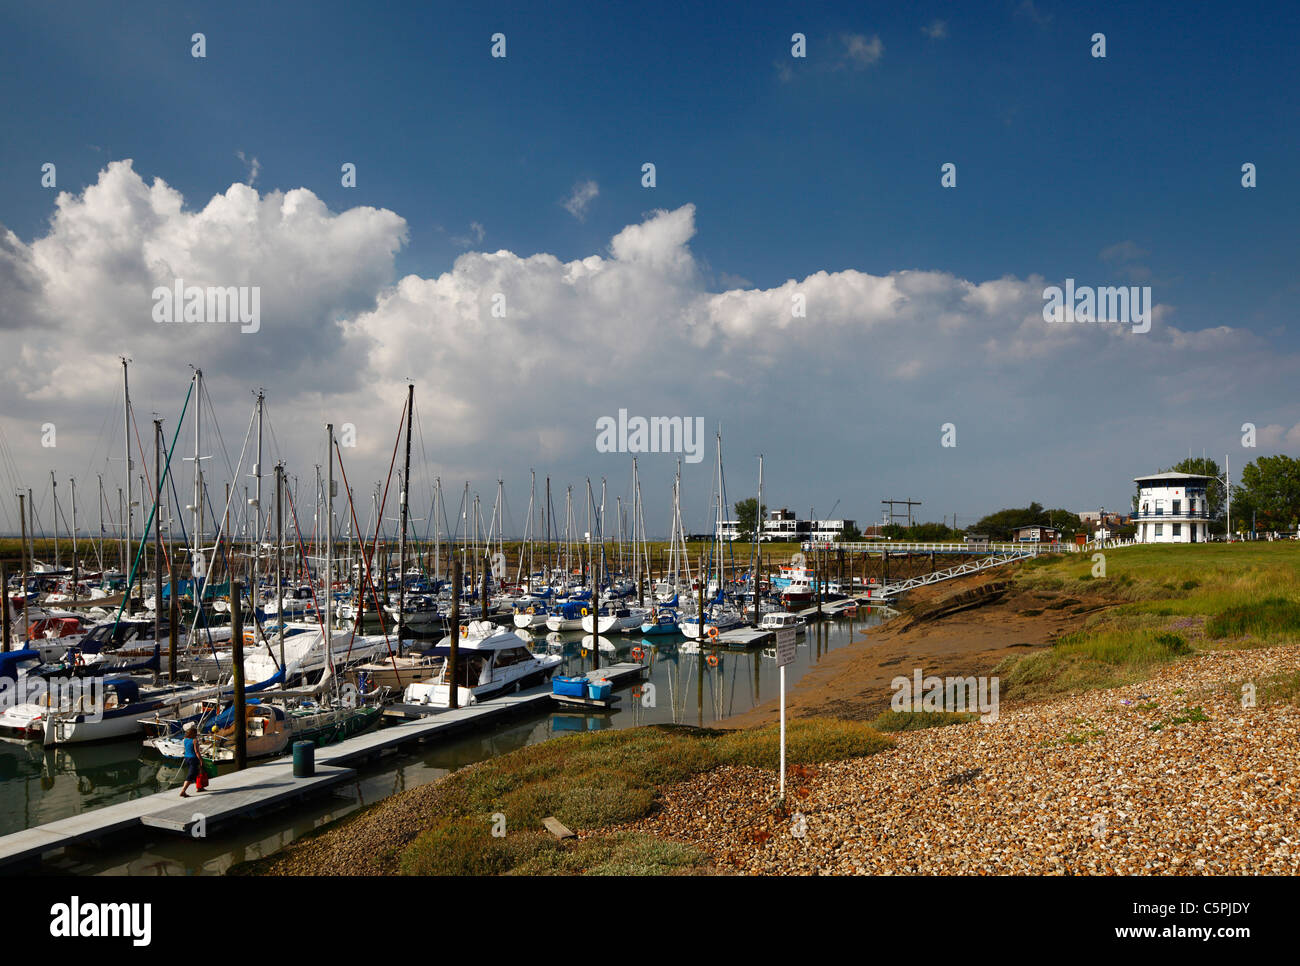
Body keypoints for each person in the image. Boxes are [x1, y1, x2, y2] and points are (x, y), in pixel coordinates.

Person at [179, 721, 205, 797]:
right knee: (190, 775)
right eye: (196, 733)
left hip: (187, 758)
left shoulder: (185, 739)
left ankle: (200, 787)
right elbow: (197, 752)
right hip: (193, 759)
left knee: (196, 773)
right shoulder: (194, 741)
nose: (196, 735)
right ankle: (183, 791)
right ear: (193, 734)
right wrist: (201, 760)